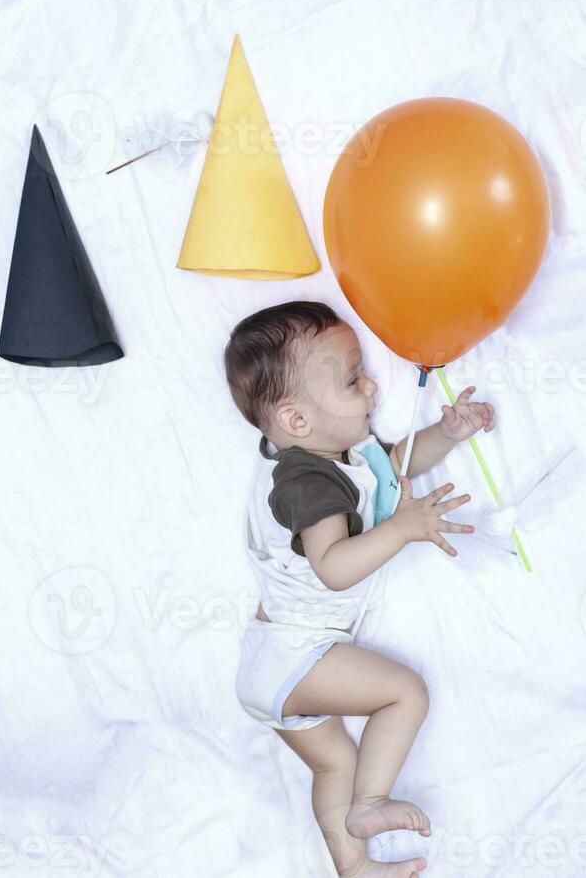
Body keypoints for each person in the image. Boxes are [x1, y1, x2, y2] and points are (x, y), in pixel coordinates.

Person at [224, 300, 495, 878]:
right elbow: (334, 567)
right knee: (404, 695)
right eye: (353, 379)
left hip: (274, 663)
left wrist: (446, 435)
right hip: (297, 656)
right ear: (297, 420)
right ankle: (371, 803)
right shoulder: (305, 484)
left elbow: (392, 471)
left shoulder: (335, 456)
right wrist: (402, 530)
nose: (372, 385)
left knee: (333, 766)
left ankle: (353, 867)